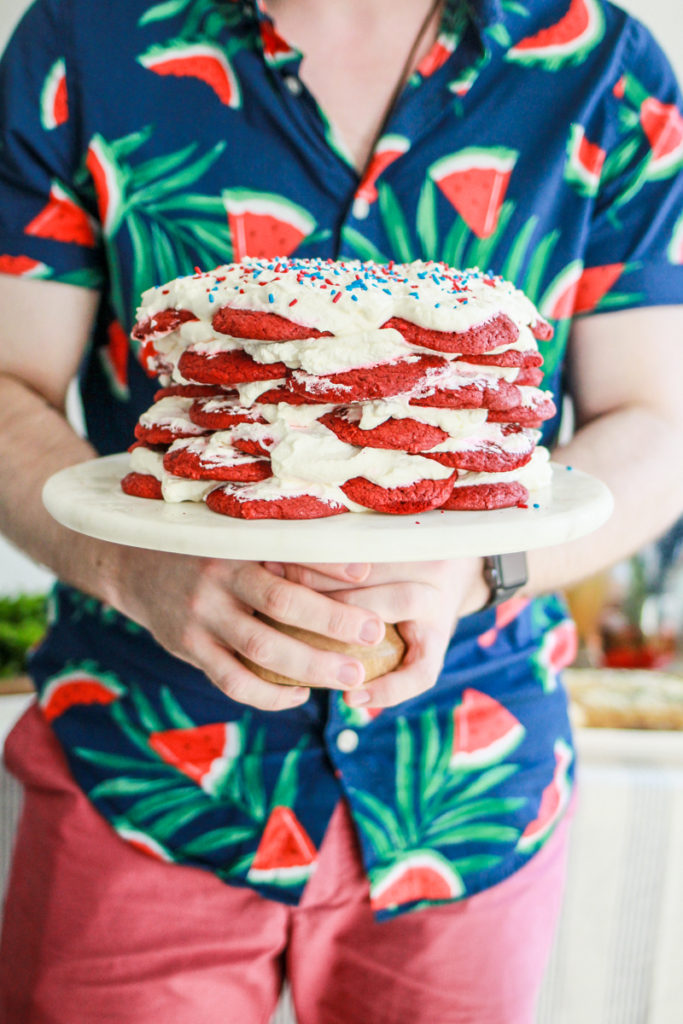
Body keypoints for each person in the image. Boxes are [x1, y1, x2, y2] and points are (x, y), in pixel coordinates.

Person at [0, 0, 682, 1021]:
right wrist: (130, 567)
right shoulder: (85, 36)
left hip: (465, 777)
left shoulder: (605, 69)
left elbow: (656, 418)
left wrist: (485, 568)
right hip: (141, 756)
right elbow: (7, 380)